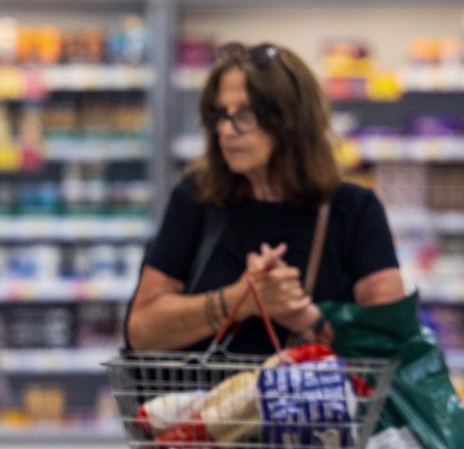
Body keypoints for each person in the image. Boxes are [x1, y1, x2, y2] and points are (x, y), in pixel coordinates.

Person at [127, 42, 405, 354]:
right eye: (219, 114)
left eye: (245, 114)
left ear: (291, 121)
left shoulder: (354, 211)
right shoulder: (197, 198)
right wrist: (239, 300)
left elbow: (391, 345)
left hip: (316, 404)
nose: (226, 130)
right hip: (204, 402)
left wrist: (304, 317)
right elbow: (141, 331)